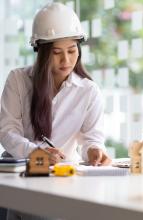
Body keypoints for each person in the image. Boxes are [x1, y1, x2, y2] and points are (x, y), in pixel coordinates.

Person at [0, 2, 111, 166]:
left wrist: (95, 150)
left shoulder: (89, 91)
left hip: (65, 174)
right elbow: (7, 132)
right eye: (56, 53)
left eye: (72, 51)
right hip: (22, 172)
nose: (66, 60)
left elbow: (92, 137)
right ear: (42, 53)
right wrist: (35, 153)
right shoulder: (18, 80)